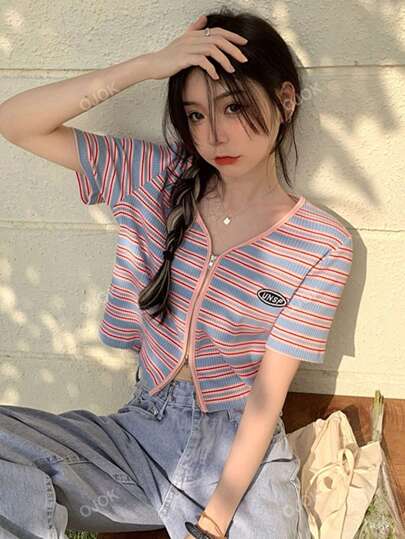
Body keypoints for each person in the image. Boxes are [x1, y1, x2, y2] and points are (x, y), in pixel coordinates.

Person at [0, 7, 353, 539]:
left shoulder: (322, 244)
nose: (214, 136)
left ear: (285, 101)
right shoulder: (155, 177)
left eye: (233, 107)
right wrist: (147, 66)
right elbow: (15, 121)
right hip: (138, 438)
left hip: (242, 458)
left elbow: (266, 398)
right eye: (195, 115)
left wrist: (216, 519)